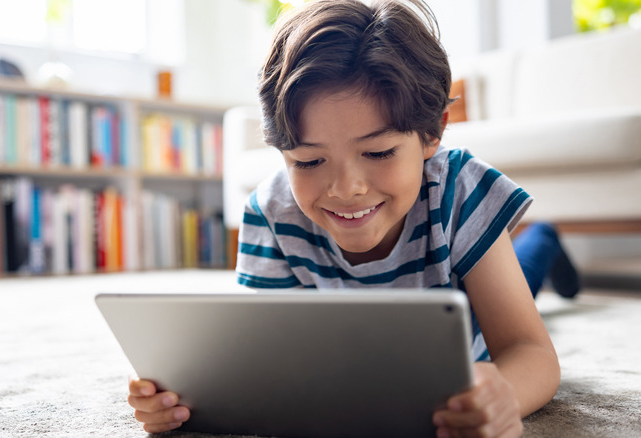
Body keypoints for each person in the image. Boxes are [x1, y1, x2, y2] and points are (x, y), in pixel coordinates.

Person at [128, 0, 580, 436]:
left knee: (527, 266)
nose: (346, 190)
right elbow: (261, 363)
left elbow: (531, 353)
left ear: (433, 134)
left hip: (469, 282)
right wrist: (179, 399)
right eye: (307, 161)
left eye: (379, 152)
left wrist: (502, 395)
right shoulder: (271, 213)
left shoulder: (460, 190)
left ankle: (545, 238)